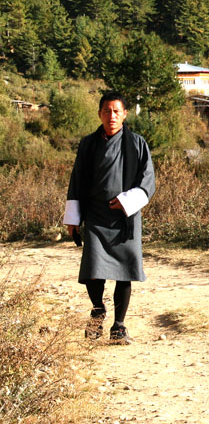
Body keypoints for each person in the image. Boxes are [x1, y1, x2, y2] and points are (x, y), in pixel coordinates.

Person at [63, 91, 155, 344]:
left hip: (125, 217)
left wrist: (127, 200)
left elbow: (148, 181)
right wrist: (73, 217)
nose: (111, 116)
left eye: (116, 111)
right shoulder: (88, 144)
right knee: (94, 269)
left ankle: (119, 325)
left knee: (125, 271)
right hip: (95, 215)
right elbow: (77, 179)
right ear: (99, 114)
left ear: (125, 114)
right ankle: (97, 310)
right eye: (106, 111)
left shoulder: (137, 143)